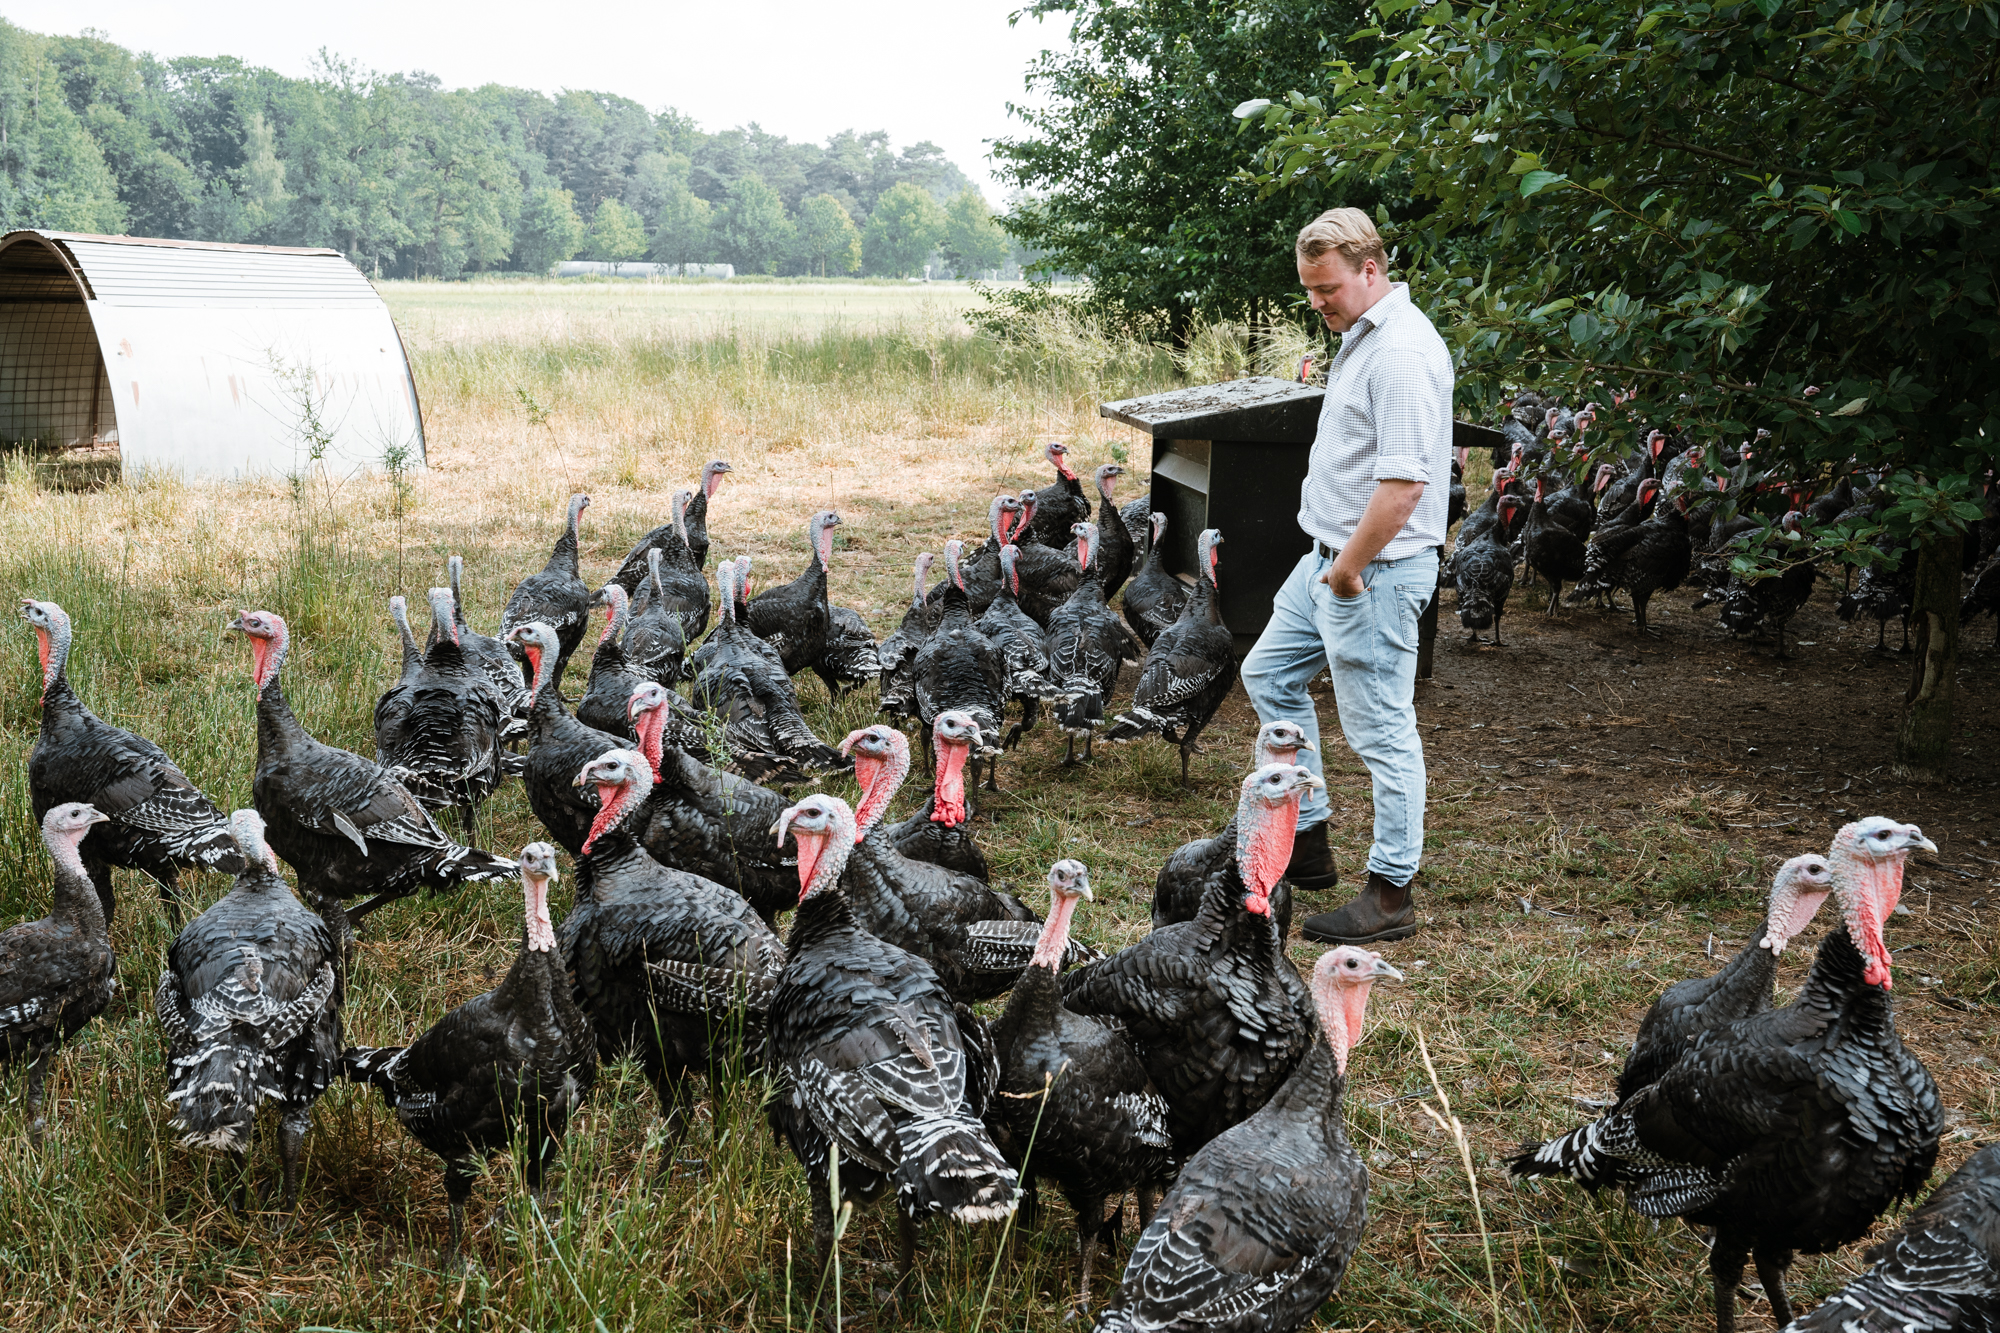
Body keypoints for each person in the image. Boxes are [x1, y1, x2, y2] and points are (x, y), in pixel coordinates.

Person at [1239, 208, 1452, 944]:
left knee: (1383, 732)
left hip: (1372, 572)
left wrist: (1350, 573)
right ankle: (1312, 835)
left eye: (1327, 287)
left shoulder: (1400, 351)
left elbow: (1402, 487)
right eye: (1308, 289)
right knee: (1268, 673)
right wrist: (1329, 566)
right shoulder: (1361, 335)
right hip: (1324, 560)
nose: (1317, 302)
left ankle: (1391, 894)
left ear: (1371, 269)